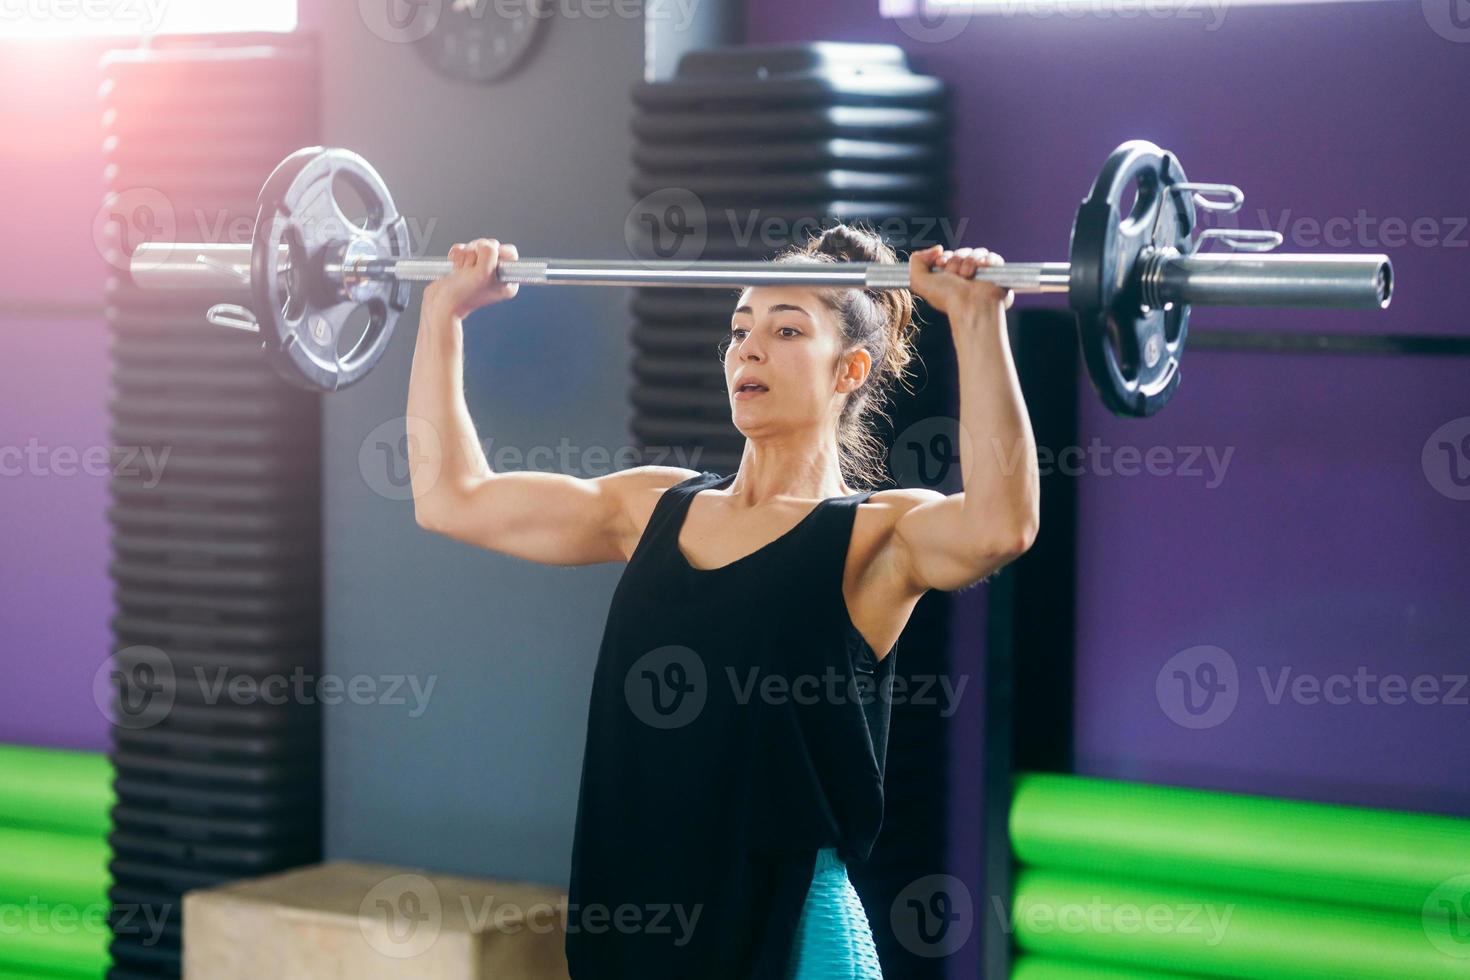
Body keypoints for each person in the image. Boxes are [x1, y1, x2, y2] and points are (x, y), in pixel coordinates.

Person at [408, 224, 1039, 979]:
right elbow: (452, 498)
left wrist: (977, 322)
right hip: (634, 931)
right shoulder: (651, 506)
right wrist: (441, 317)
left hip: (792, 942)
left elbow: (1002, 525)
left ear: (851, 369)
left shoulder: (877, 534)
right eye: (740, 329)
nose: (749, 348)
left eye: (786, 330)